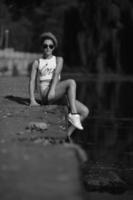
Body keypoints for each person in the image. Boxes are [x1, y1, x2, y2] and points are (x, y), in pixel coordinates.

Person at [29, 32, 89, 138]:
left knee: (85, 111)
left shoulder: (58, 60)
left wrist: (53, 89)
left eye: (50, 46)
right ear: (41, 47)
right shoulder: (37, 62)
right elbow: (32, 81)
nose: (48, 48)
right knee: (71, 82)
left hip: (56, 92)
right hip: (45, 94)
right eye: (45, 46)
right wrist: (32, 100)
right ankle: (74, 115)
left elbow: (56, 74)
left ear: (54, 48)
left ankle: (68, 134)